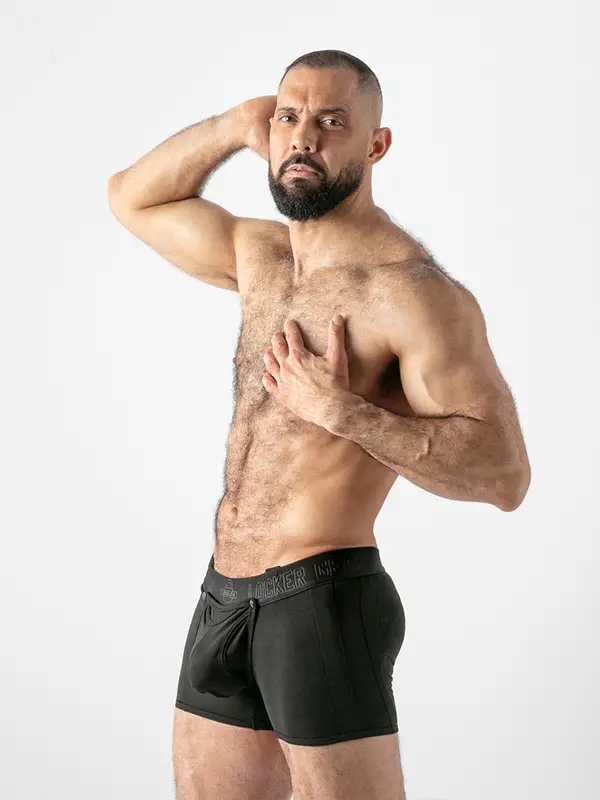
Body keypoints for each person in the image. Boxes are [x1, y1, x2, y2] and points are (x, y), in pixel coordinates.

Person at [108, 49, 531, 800]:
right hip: (223, 594)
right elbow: (130, 200)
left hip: (322, 601)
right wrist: (233, 124)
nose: (304, 137)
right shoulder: (261, 257)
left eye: (332, 122)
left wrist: (345, 412)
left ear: (376, 145)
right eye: (289, 118)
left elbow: (504, 475)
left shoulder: (412, 294)